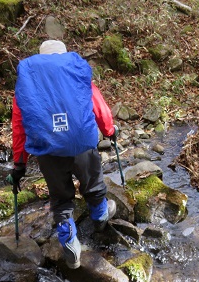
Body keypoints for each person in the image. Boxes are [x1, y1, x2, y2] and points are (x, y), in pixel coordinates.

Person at [7, 40, 118, 270]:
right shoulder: (74, 72)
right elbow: (98, 106)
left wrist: (19, 164)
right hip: (81, 141)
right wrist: (110, 131)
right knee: (93, 182)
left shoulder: (28, 82)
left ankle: (69, 242)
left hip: (48, 147)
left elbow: (19, 124)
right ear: (63, 55)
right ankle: (99, 216)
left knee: (61, 197)